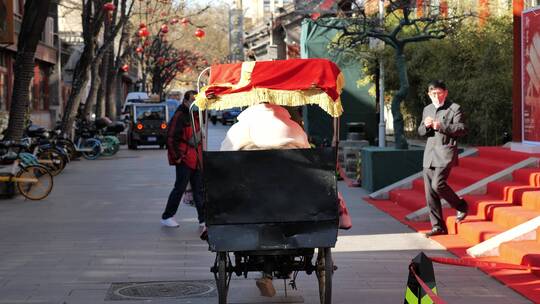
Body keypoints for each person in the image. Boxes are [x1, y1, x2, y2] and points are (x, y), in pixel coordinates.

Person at [418, 80, 468, 238]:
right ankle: (438, 226)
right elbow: (420, 131)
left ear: (445, 93)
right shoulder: (427, 109)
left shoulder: (454, 108)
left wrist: (441, 126)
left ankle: (461, 205)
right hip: (430, 154)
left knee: (438, 184)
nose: (436, 96)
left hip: (445, 152)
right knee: (429, 192)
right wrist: (426, 126)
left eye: (439, 93)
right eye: (433, 93)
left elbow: (462, 129)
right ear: (429, 94)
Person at [161, 90, 205, 231]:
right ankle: (167, 216)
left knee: (199, 190)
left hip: (196, 159)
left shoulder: (197, 115)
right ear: (186, 101)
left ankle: (203, 219)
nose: (195, 102)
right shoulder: (180, 116)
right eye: (192, 100)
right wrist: (178, 157)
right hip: (185, 159)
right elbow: (171, 138)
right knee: (179, 188)